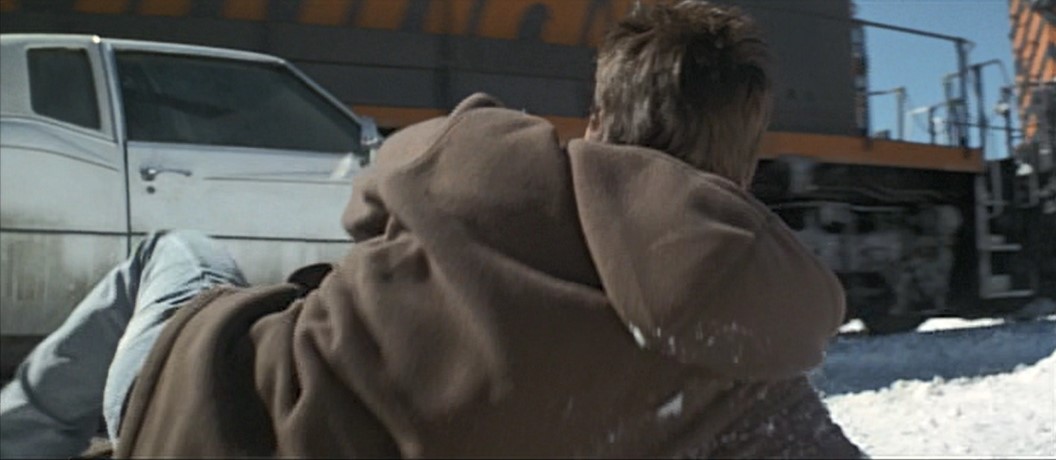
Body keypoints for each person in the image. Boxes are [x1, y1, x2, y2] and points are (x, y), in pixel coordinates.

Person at [0, 1, 865, 458]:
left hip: (201, 407)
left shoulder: (477, 154)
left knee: (175, 252)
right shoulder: (750, 354)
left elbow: (362, 213)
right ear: (746, 167)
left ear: (599, 119)